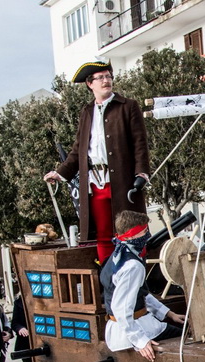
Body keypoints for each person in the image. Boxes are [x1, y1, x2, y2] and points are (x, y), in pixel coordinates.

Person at [44, 59, 151, 264]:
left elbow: (140, 143)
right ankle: (110, 280)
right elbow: (78, 151)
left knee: (131, 231)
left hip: (123, 181)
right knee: (103, 236)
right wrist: (60, 173)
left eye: (109, 76)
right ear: (89, 84)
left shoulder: (128, 106)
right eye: (100, 78)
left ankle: (136, 280)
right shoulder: (87, 112)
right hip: (96, 182)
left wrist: (142, 173)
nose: (106, 81)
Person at [101, 210, 185, 362]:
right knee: (187, 340)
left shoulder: (116, 256)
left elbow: (140, 293)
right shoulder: (132, 265)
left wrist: (168, 314)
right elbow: (121, 307)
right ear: (132, 235)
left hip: (126, 326)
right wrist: (140, 340)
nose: (148, 235)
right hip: (134, 329)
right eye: (144, 231)